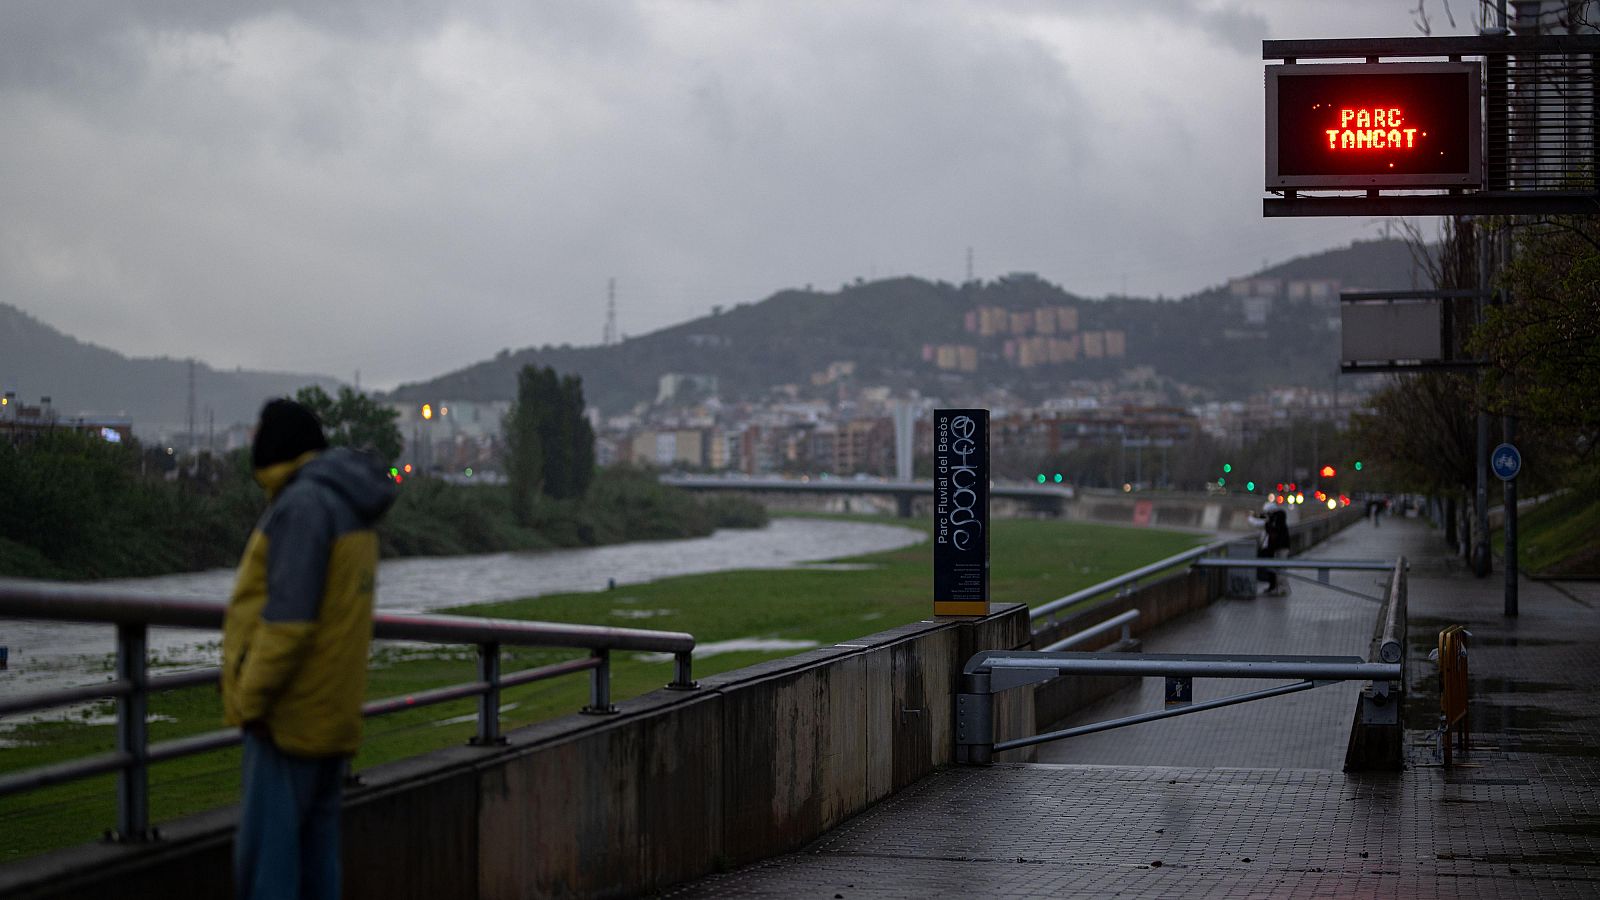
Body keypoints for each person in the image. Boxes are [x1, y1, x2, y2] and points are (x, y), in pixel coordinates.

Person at [222, 398, 397, 900]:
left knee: (269, 872)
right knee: (319, 868)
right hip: (331, 715)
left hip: (288, 720)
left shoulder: (303, 506)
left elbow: (288, 623)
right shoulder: (348, 503)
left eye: (257, 434)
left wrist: (250, 701)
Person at [1249, 497, 1291, 596]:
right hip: (1275, 548)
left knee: (1280, 570)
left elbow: (1272, 525)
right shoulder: (1272, 520)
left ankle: (1282, 589)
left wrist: (1258, 517)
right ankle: (1275, 588)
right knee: (1274, 569)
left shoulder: (1279, 517)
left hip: (1281, 548)